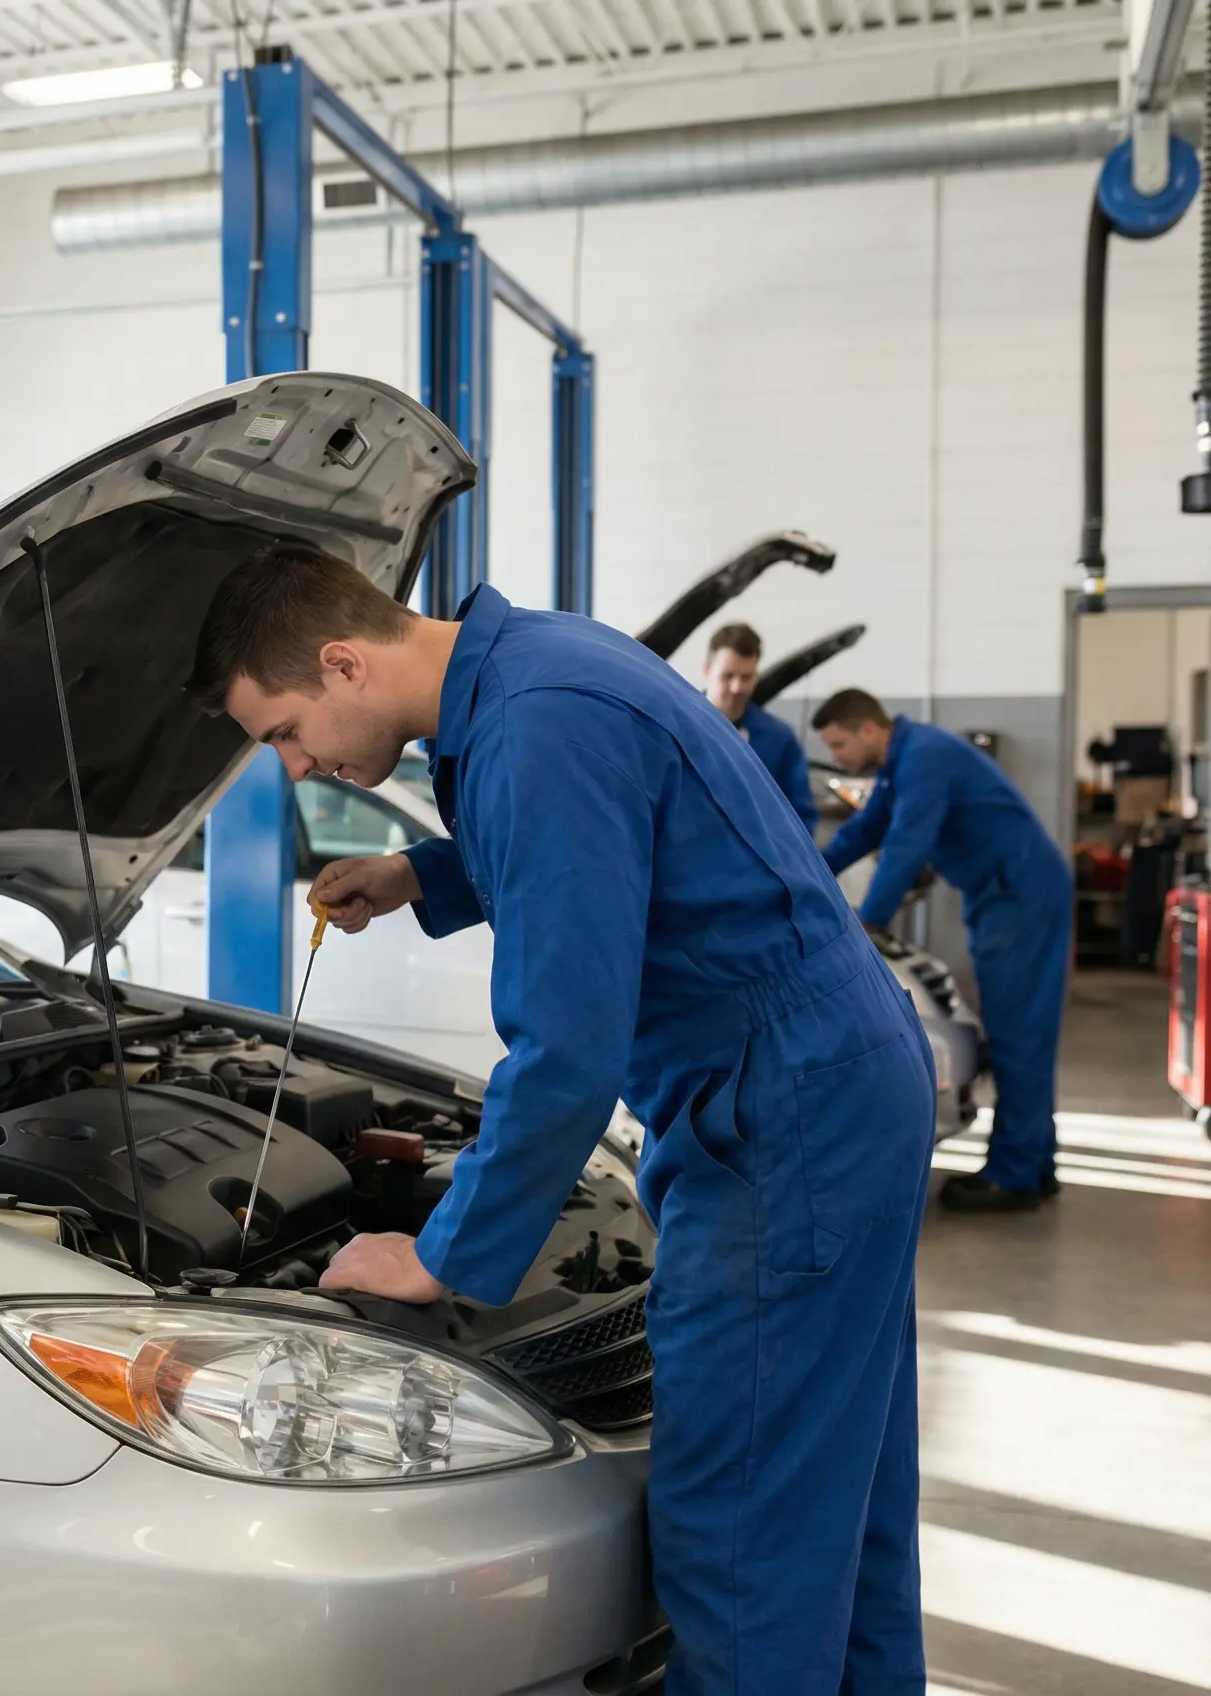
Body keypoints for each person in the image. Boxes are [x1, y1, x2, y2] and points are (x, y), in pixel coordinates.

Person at [190, 542, 934, 1696]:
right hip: (833, 1083)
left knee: (738, 1534)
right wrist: (423, 879)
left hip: (782, 1116)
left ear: (341, 663)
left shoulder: (531, 726)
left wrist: (442, 1256)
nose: (291, 767)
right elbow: (595, 844)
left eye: (282, 729)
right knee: (837, 1503)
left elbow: (564, 1051)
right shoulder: (534, 666)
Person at [813, 688, 1074, 1213]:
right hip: (1005, 895)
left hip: (1018, 897)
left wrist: (866, 925)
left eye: (839, 746)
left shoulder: (924, 759)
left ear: (868, 729)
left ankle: (1015, 1174)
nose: (836, 759)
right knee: (1020, 1035)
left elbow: (906, 842)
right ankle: (1035, 1162)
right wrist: (804, 871)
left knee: (1018, 1036)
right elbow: (864, 830)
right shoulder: (903, 760)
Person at [701, 621, 819, 833]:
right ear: (707, 671)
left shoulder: (779, 739)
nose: (737, 687)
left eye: (746, 677)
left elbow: (800, 817)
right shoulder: (674, 730)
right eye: (727, 676)